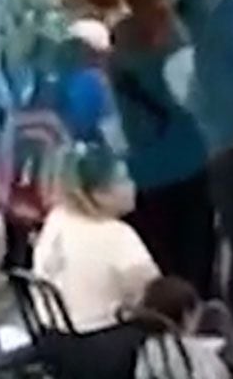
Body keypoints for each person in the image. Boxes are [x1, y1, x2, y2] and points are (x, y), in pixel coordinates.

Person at [111, 0, 216, 297]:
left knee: (160, 256)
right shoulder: (175, 38)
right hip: (187, 160)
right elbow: (194, 100)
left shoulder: (119, 38)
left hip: (143, 164)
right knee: (195, 257)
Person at [34, 141, 162, 334]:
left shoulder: (57, 217)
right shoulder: (117, 234)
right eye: (123, 180)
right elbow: (155, 293)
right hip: (102, 336)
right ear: (99, 194)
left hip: (53, 334)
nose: (133, 185)